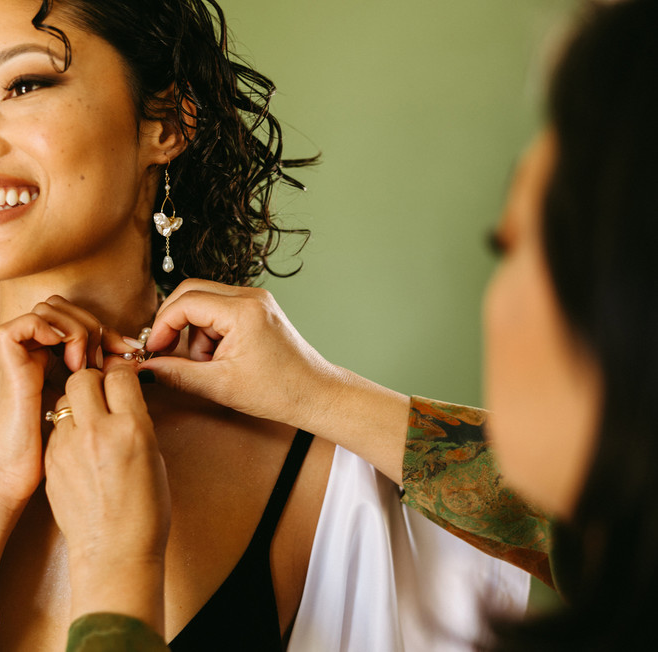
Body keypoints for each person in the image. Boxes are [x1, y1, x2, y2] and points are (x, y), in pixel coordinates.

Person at [0, 0, 529, 650]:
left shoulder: (323, 463)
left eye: (24, 85)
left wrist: (321, 395)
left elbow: (590, 521)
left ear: (164, 124)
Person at [73, 0, 651, 648]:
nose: (497, 297)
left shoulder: (325, 487)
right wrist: (317, 391)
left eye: (516, 246)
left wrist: (116, 570)